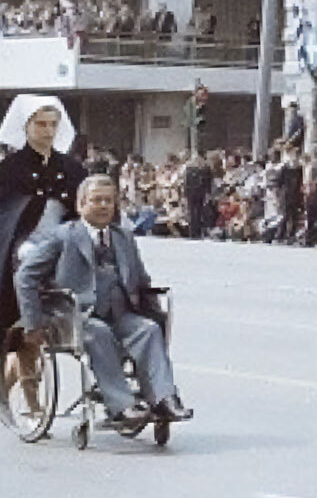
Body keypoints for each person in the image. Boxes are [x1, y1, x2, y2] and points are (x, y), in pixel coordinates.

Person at [15, 175, 192, 428]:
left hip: (120, 313)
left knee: (149, 330)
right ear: (81, 205)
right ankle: (121, 406)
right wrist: (33, 323)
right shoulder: (63, 236)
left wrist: (154, 313)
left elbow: (140, 279)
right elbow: (26, 276)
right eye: (96, 200)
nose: (103, 206)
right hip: (77, 316)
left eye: (108, 201)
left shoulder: (123, 237)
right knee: (98, 333)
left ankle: (164, 398)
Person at [0, 94, 87, 428]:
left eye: (54, 124)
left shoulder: (71, 168)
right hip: (19, 250)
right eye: (41, 124)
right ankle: (30, 399)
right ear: (26, 126)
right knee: (19, 329)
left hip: (63, 246)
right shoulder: (9, 170)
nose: (48, 131)